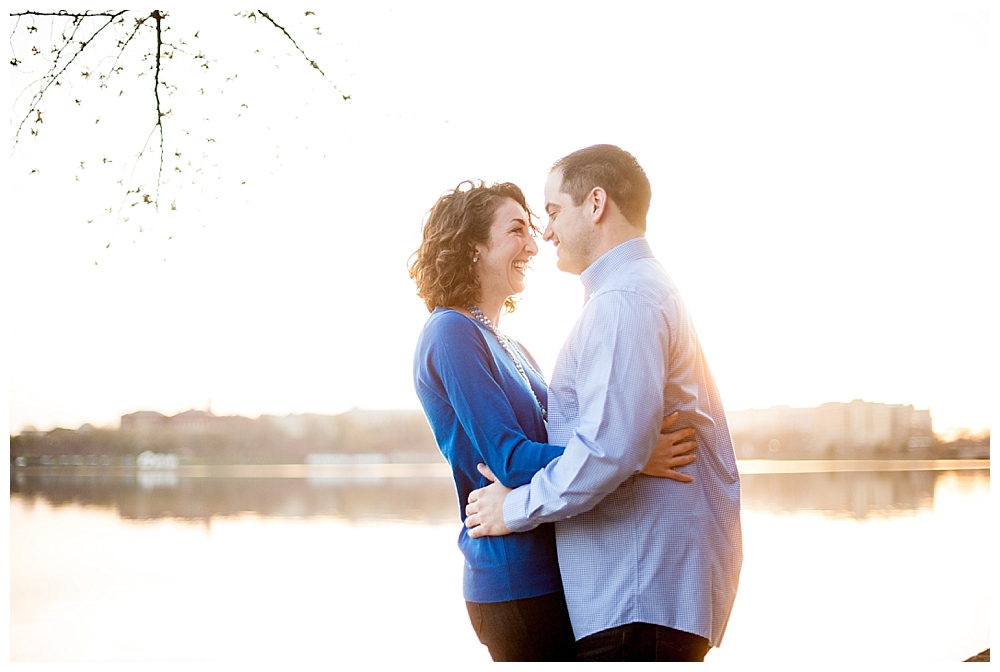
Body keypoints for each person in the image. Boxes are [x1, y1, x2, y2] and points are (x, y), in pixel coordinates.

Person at [464, 145, 743, 662]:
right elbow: (619, 447)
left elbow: (608, 452)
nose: (546, 232)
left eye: (551, 212)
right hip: (639, 596)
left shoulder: (623, 301)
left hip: (635, 596)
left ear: (596, 204)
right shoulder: (633, 292)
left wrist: (513, 509)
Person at [409, 179, 699, 662]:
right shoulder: (450, 332)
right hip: (513, 579)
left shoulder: (513, 347)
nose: (533, 243)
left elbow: (569, 440)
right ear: (473, 246)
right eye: (517, 230)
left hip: (556, 572)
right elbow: (509, 459)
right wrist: (631, 457)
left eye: (534, 227)